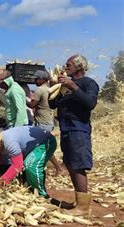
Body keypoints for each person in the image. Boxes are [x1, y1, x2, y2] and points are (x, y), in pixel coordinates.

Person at [49, 54, 99, 215]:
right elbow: (52, 104)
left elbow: (90, 103)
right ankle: (78, 202)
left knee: (78, 164)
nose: (66, 66)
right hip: (66, 128)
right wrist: (54, 87)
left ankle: (84, 207)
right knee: (70, 164)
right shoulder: (64, 86)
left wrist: (73, 86)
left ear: (79, 66)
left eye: (69, 64)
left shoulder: (88, 83)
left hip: (79, 129)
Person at [0, 127, 57, 198]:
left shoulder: (9, 143)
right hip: (31, 147)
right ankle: (31, 190)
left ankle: (42, 195)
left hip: (45, 142)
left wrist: (2, 181)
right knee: (23, 168)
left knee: (30, 165)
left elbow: (17, 165)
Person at [28, 70, 64, 176]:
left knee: (43, 146)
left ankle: (58, 168)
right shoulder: (50, 89)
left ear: (42, 79)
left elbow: (32, 105)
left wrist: (24, 99)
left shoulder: (39, 90)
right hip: (49, 121)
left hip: (42, 122)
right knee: (42, 145)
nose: (35, 80)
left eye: (37, 79)